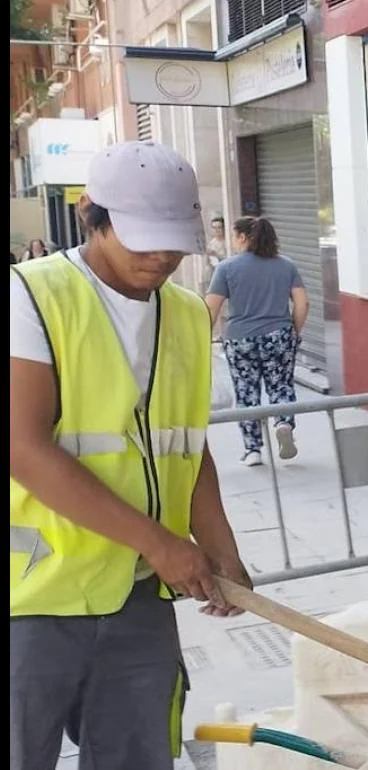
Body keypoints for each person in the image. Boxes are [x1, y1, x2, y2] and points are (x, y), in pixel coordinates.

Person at [9, 140, 251, 770]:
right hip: (32, 592)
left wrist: (218, 544)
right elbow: (23, 447)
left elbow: (184, 446)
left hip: (139, 595)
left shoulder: (188, 314)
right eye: (141, 237)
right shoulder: (30, 297)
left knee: (136, 755)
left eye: (174, 240)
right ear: (93, 215)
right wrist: (163, 543)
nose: (161, 256)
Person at [204, 216, 308, 466]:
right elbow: (303, 303)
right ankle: (283, 423)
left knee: (246, 391)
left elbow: (211, 309)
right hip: (279, 335)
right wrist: (292, 332)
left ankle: (253, 450)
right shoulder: (286, 265)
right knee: (281, 385)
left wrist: (202, 338)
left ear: (242, 237)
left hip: (241, 340)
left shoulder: (226, 268)